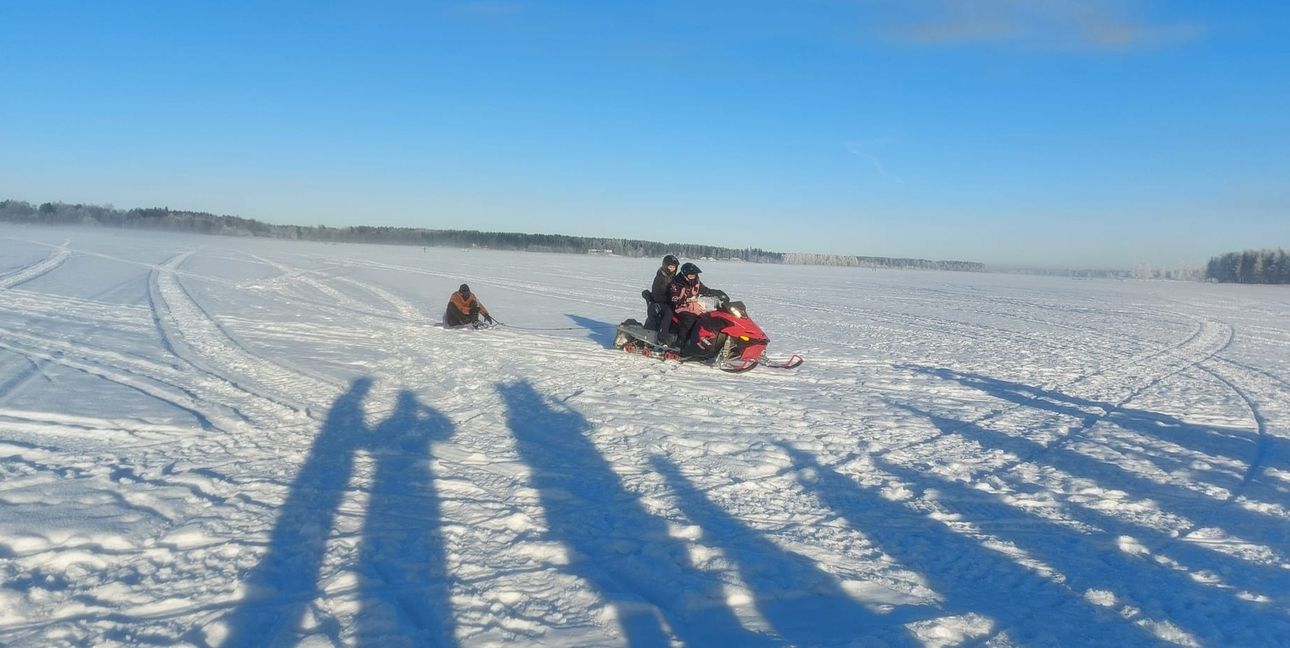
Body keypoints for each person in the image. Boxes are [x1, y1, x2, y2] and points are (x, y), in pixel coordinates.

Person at [666, 262, 724, 348]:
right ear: (684, 275)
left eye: (694, 275)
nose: (693, 277)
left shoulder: (696, 281)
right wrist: (685, 300)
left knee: (707, 318)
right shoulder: (677, 283)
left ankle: (704, 342)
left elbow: (704, 290)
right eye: (690, 276)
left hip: (693, 306)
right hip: (680, 307)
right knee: (690, 319)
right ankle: (680, 342)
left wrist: (716, 293)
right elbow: (674, 297)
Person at [644, 254, 679, 334]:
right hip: (660, 302)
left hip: (668, 301)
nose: (672, 269)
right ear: (665, 266)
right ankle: (662, 336)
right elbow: (658, 295)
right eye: (670, 267)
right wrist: (671, 300)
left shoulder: (672, 277)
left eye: (674, 267)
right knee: (669, 312)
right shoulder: (660, 278)